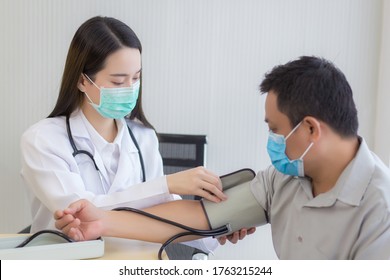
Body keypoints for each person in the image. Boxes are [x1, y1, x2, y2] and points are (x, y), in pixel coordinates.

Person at [55, 56, 390, 259]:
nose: (272, 141)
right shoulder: (284, 178)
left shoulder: (380, 211)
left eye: (275, 129)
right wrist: (101, 220)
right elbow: (200, 215)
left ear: (311, 130)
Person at [20, 16, 226, 253]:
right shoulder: (43, 140)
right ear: (81, 81)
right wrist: (166, 184)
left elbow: (167, 216)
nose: (130, 89)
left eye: (136, 78)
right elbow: (84, 212)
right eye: (118, 82)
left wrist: (219, 227)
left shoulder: (144, 138)